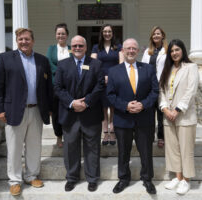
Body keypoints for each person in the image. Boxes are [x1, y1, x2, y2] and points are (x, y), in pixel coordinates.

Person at [0, 28, 53, 196]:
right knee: (14, 148)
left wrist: (48, 107)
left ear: (33, 41)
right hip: (13, 111)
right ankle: (15, 180)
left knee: (34, 146)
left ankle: (32, 175)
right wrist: (0, 110)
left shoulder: (42, 60)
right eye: (20, 39)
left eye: (27, 39)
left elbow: (47, 87)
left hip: (36, 110)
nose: (24, 42)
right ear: (16, 41)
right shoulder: (5, 59)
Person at [107, 38, 159, 194]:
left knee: (146, 151)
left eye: (134, 48)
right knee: (123, 151)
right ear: (122, 51)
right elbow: (110, 94)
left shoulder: (148, 69)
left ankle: (147, 179)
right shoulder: (113, 71)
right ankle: (123, 179)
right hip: (123, 118)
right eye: (127, 48)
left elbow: (155, 91)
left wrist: (143, 104)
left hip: (144, 118)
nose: (131, 51)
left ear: (138, 51)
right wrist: (125, 106)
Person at [54, 35, 104, 192]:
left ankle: (92, 178)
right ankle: (71, 177)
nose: (77, 48)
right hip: (70, 115)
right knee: (70, 148)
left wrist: (86, 102)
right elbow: (57, 88)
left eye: (80, 45)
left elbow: (100, 85)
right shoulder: (62, 65)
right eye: (74, 45)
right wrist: (72, 103)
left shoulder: (96, 64)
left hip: (91, 113)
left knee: (93, 148)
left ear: (86, 47)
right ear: (71, 47)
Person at [159, 39, 199, 194]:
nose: (174, 53)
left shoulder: (191, 67)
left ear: (183, 50)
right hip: (168, 116)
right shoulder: (167, 70)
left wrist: (177, 109)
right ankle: (178, 176)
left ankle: (186, 180)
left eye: (177, 50)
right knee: (173, 149)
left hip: (185, 116)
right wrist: (164, 108)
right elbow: (161, 91)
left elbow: (191, 91)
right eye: (172, 51)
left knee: (185, 149)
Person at [91, 24, 124, 146]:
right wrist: (102, 77)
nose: (107, 33)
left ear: (112, 33)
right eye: (105, 31)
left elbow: (121, 63)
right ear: (101, 33)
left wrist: (111, 77)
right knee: (104, 108)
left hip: (114, 80)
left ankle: (113, 132)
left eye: (109, 31)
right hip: (100, 81)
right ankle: (105, 133)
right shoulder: (96, 47)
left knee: (113, 108)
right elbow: (93, 64)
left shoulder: (118, 47)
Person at [142, 26, 167, 148]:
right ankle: (150, 135)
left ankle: (161, 136)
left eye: (158, 34)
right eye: (154, 34)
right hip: (149, 87)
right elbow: (142, 68)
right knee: (149, 112)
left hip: (162, 85)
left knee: (161, 112)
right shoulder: (147, 51)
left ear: (163, 35)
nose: (156, 36)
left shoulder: (167, 50)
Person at [46, 23, 71, 148]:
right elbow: (49, 64)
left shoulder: (71, 48)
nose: (61, 35)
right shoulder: (51, 49)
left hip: (70, 87)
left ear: (67, 35)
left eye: (63, 33)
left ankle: (69, 135)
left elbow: (75, 63)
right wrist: (63, 72)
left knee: (69, 112)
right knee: (56, 113)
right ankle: (59, 136)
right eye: (58, 33)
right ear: (56, 35)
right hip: (55, 85)